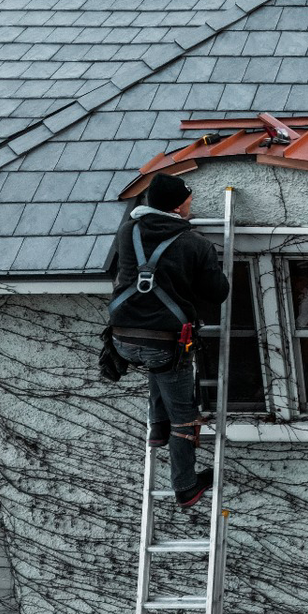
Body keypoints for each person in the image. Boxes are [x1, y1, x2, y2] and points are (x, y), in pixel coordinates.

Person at [108, 174, 231, 508]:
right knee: (185, 417)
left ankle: (157, 429)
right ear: (178, 206)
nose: (192, 204)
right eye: (188, 200)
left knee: (156, 365)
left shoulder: (127, 231)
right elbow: (217, 293)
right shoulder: (194, 244)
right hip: (164, 343)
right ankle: (186, 486)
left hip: (122, 337)